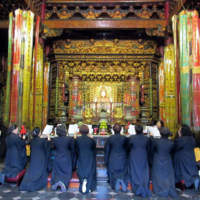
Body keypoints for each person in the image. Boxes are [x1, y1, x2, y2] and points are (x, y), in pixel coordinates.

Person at [19, 127, 50, 192]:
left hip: (33, 159)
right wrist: (48, 138)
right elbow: (48, 148)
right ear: (39, 133)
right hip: (41, 159)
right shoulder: (43, 140)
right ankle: (34, 185)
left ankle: (25, 185)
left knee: (31, 171)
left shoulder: (32, 141)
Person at [151, 127, 177, 198]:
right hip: (167, 158)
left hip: (158, 158)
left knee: (157, 174)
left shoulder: (156, 141)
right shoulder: (171, 143)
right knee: (168, 174)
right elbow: (172, 151)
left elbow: (153, 150)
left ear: (160, 133)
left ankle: (158, 189)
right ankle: (167, 187)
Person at [128, 125, 151, 198]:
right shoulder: (146, 138)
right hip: (143, 155)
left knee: (135, 170)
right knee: (144, 170)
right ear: (142, 130)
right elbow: (149, 148)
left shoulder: (132, 138)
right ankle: (144, 185)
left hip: (134, 155)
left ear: (135, 130)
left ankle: (136, 187)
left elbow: (128, 147)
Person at [174, 125, 199, 190]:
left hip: (182, 162)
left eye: (179, 131)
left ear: (182, 132)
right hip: (190, 160)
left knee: (182, 173)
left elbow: (174, 147)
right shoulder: (192, 139)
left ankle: (183, 186)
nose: (178, 132)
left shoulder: (180, 141)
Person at [104, 123, 128, 192]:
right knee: (123, 170)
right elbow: (127, 149)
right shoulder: (125, 138)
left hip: (113, 157)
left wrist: (106, 160)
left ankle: (116, 183)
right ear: (121, 130)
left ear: (113, 130)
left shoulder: (110, 138)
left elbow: (107, 150)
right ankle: (121, 181)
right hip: (123, 157)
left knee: (113, 171)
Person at [50, 125, 75, 192]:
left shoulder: (55, 139)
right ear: (65, 131)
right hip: (66, 157)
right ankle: (64, 183)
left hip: (57, 157)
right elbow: (72, 149)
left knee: (57, 171)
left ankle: (56, 182)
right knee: (66, 172)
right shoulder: (69, 139)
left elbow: (52, 147)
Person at [75, 124, 96, 194]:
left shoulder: (77, 140)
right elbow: (94, 149)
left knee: (81, 169)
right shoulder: (91, 140)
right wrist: (92, 139)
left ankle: (82, 181)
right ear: (88, 131)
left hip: (81, 157)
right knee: (90, 171)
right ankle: (88, 186)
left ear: (80, 131)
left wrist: (75, 138)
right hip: (89, 158)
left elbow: (76, 149)